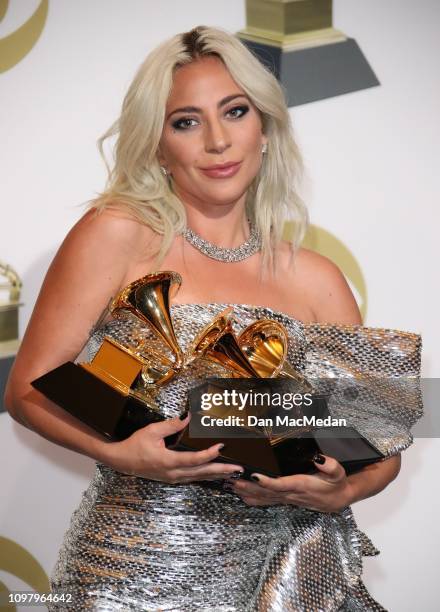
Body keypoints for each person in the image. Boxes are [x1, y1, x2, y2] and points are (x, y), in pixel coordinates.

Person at [5, 25, 409, 611]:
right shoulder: (116, 235)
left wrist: (338, 489)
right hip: (137, 575)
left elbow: (380, 448)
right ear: (158, 144)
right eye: (186, 122)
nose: (218, 141)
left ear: (265, 127)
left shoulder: (318, 278)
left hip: (290, 576)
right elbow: (26, 389)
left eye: (235, 111)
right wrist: (120, 454)